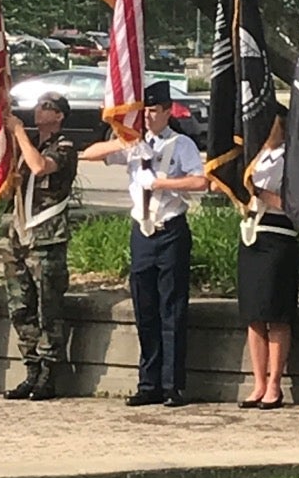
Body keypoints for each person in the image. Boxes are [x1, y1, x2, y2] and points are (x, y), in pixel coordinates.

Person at [78, 81, 207, 407]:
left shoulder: (182, 144)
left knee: (171, 309)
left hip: (170, 229)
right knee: (144, 308)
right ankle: (148, 383)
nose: (147, 116)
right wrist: (124, 142)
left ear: (166, 111)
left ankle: (172, 384)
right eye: (144, 111)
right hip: (143, 231)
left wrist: (162, 182)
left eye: (152, 110)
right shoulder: (136, 144)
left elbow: (200, 181)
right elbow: (90, 154)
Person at [1, 94, 78, 401]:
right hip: (19, 235)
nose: (38, 110)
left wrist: (18, 132)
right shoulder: (28, 144)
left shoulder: (65, 146)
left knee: (49, 308)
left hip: (47, 237)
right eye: (39, 105)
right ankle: (31, 369)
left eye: (46, 107)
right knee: (20, 307)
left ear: (59, 116)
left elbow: (40, 167)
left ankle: (48, 373)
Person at [235, 112, 298, 408]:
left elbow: (296, 204)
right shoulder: (254, 154)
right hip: (251, 236)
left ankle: (275, 384)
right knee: (254, 313)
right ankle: (258, 382)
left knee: (276, 313)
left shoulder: (292, 157)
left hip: (277, 235)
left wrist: (258, 191)